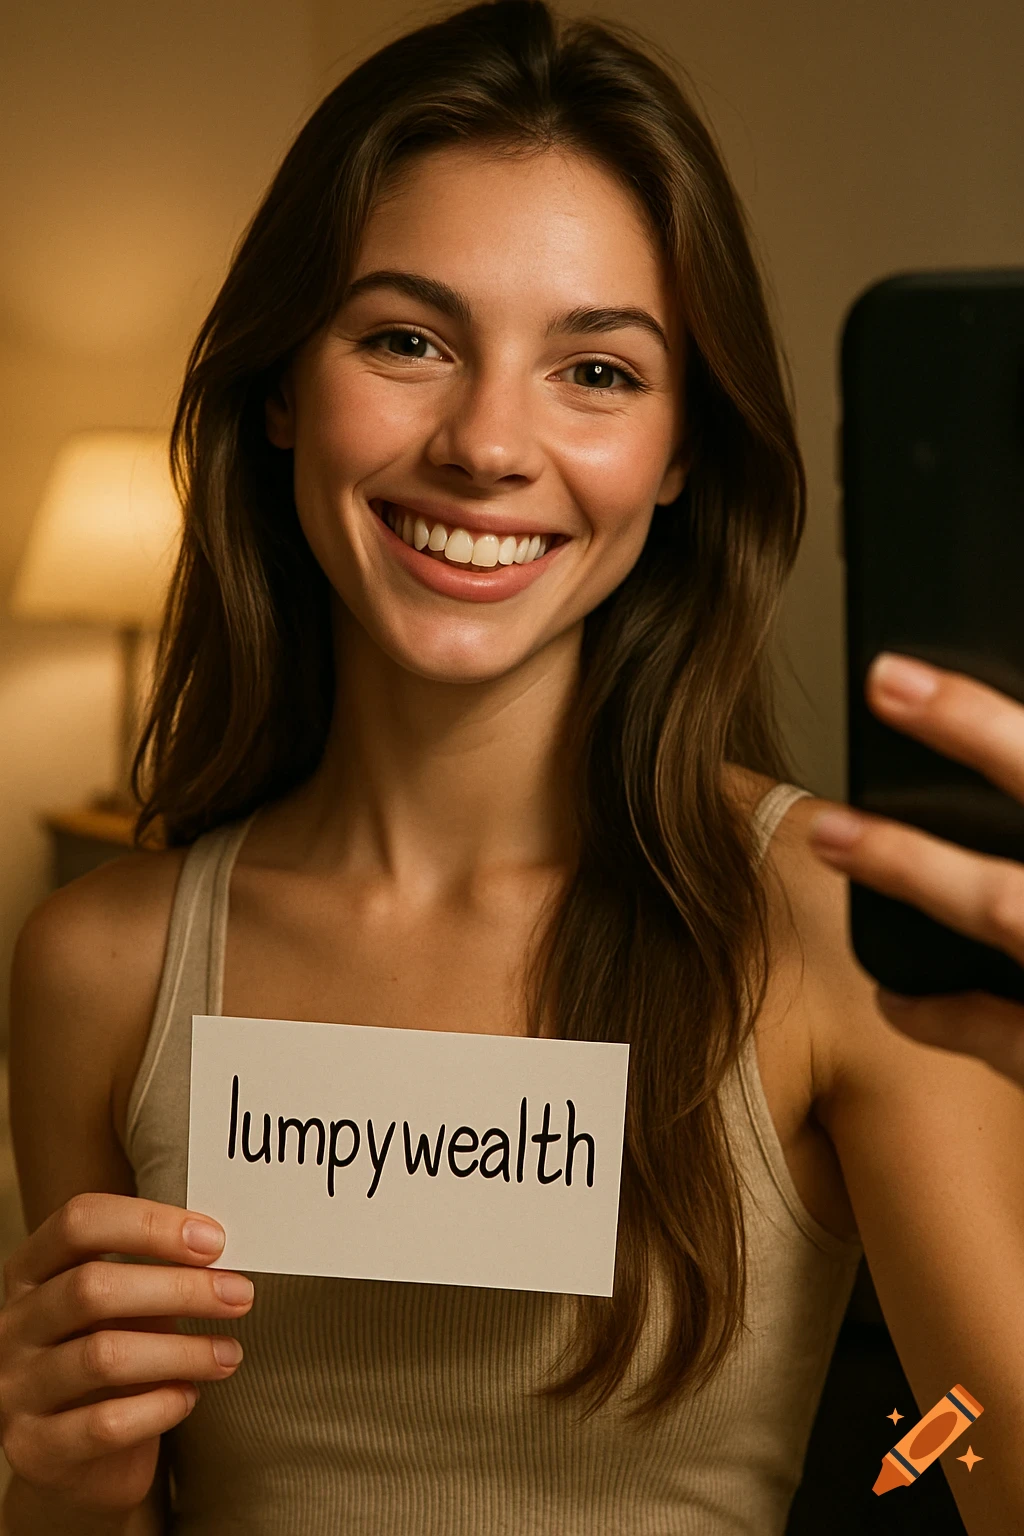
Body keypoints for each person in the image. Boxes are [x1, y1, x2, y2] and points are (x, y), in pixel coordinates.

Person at [3, 2, 1023, 1532]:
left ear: (683, 451)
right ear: (284, 386)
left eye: (597, 371)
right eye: (407, 340)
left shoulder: (829, 927)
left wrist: (961, 1443)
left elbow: (979, 1459)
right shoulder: (99, 962)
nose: (487, 443)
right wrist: (59, 1484)